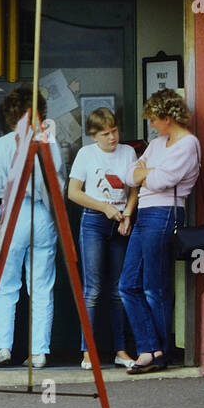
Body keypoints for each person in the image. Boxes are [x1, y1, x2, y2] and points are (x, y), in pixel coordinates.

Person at [0, 86, 64, 368]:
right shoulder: (48, 142)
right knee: (41, 286)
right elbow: (56, 186)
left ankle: (4, 347)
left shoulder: (2, 144)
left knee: (5, 285)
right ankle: (39, 351)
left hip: (12, 214)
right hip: (41, 214)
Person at [122, 89, 200, 374]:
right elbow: (130, 175)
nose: (152, 124)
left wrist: (147, 173)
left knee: (155, 287)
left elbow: (162, 179)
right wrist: (146, 173)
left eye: (155, 119)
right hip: (145, 213)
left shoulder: (188, 144)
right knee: (128, 284)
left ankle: (158, 353)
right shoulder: (156, 144)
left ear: (168, 117)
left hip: (165, 213)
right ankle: (150, 347)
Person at [66, 107, 137, 370]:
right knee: (93, 290)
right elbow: (74, 192)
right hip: (95, 221)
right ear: (94, 136)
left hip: (120, 221)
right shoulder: (86, 154)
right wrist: (104, 207)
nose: (112, 137)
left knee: (119, 289)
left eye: (115, 131)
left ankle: (121, 350)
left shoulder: (128, 152)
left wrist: (127, 214)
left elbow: (133, 189)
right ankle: (88, 352)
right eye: (106, 133)